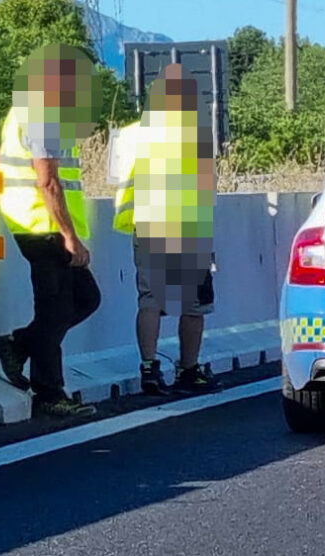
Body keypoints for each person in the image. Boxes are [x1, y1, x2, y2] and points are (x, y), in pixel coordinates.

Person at [0, 44, 102, 417]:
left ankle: (20, 345)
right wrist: (69, 236)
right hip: (41, 225)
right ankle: (49, 394)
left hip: (37, 222)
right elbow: (49, 181)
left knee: (84, 299)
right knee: (56, 308)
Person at [110, 63, 218, 394]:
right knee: (193, 305)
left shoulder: (128, 134)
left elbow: (115, 178)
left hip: (147, 225)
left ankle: (149, 369)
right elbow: (207, 187)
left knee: (151, 300)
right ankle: (188, 370)